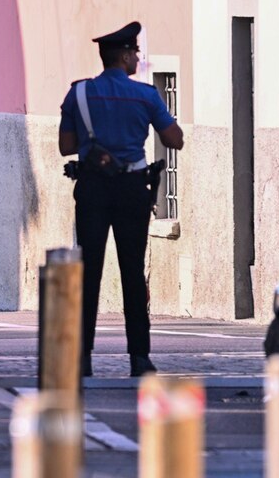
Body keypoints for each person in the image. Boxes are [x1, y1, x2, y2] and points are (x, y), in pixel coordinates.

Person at [58, 21, 184, 377]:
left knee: (89, 273)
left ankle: (82, 358)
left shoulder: (78, 95)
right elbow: (174, 139)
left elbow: (66, 146)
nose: (137, 59)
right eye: (135, 54)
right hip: (132, 190)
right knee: (132, 272)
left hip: (92, 189)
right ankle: (139, 358)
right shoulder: (145, 96)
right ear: (126, 55)